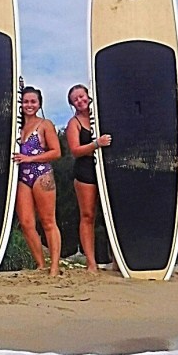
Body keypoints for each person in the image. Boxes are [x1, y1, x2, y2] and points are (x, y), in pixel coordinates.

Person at [12, 86, 63, 275]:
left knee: (48, 221)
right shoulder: (16, 128)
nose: (29, 105)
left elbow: (56, 152)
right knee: (26, 223)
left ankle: (55, 266)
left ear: (39, 103)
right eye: (25, 101)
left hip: (41, 174)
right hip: (22, 177)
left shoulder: (45, 124)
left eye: (33, 101)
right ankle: (40, 264)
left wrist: (30, 159)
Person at [64, 84, 112, 272]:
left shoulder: (102, 114)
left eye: (82, 96)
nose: (80, 101)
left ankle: (117, 258)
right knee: (88, 215)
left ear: (88, 96)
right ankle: (91, 262)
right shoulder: (73, 123)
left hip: (108, 169)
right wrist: (96, 144)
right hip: (85, 172)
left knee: (111, 215)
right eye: (76, 99)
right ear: (72, 104)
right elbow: (75, 150)